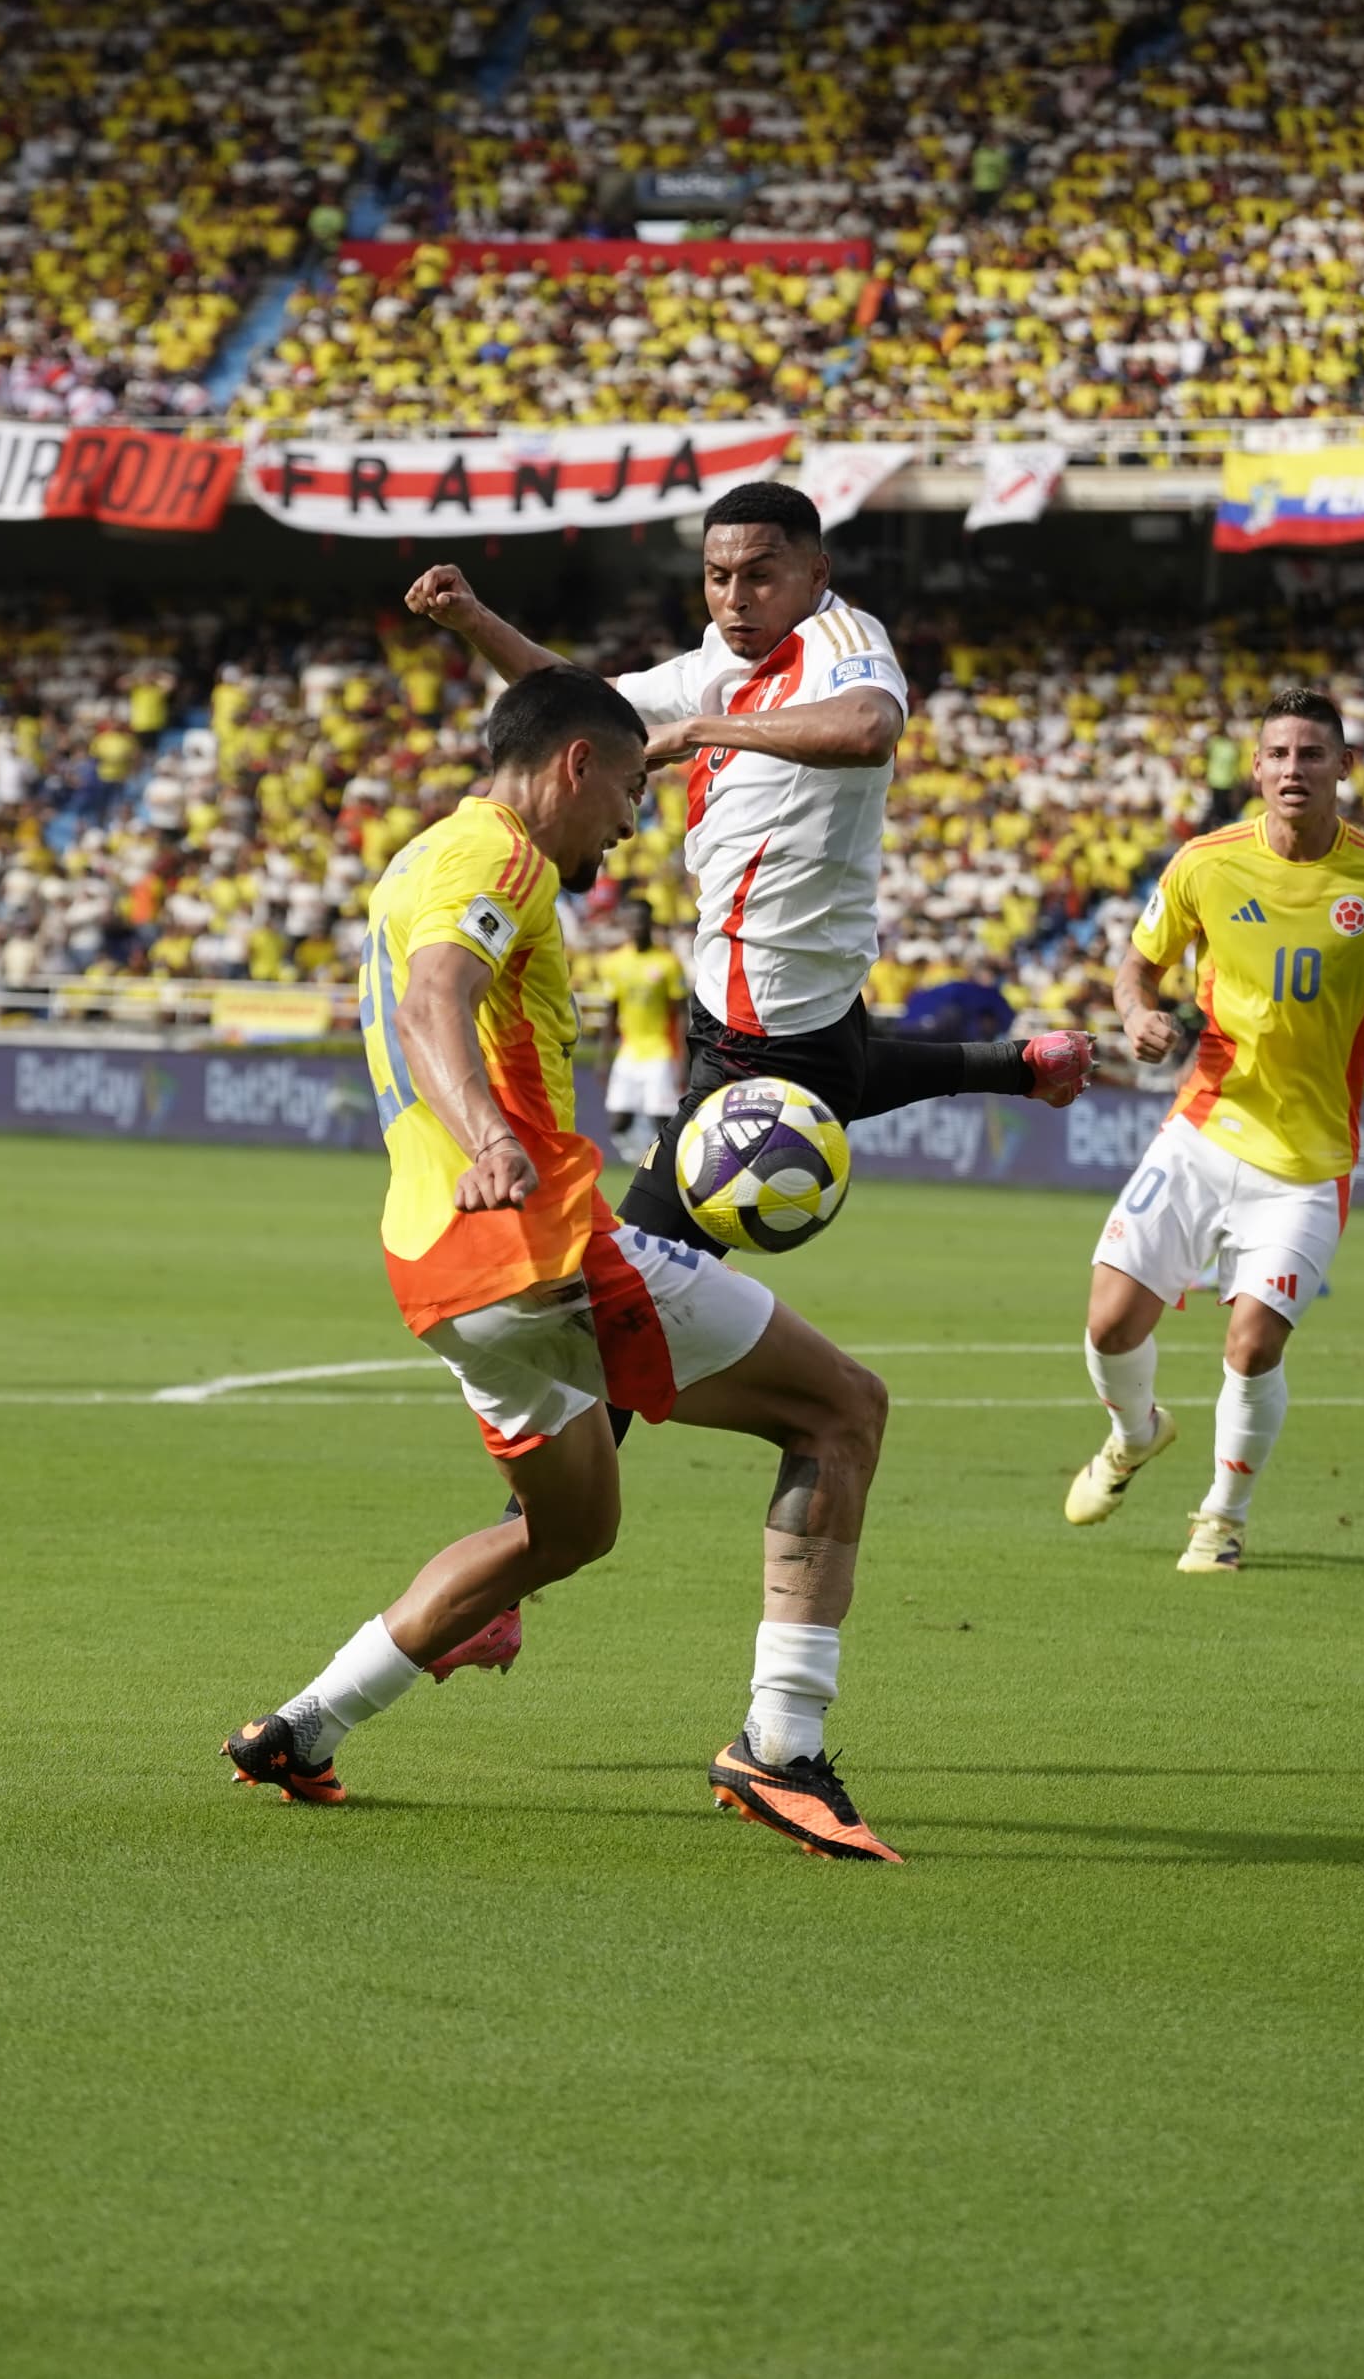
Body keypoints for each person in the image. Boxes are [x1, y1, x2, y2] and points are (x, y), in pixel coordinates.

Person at [226, 667, 908, 1861]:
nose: (632, 823)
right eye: (631, 791)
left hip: (439, 1275)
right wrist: (491, 1139)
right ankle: (780, 1744)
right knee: (841, 1410)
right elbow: (432, 1000)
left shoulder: (418, 858)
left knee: (567, 1532)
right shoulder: (497, 854)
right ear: (574, 764)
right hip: (535, 1248)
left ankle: (303, 1726)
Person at [405, 481, 1085, 1262]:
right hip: (775, 1007)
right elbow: (581, 704)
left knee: (627, 1278)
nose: (735, 598)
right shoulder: (715, 659)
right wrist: (474, 621)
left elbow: (869, 726)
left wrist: (701, 728)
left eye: (760, 575)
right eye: (718, 576)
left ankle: (1010, 1071)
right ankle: (1018, 1066)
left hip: (760, 1029)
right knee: (834, 1071)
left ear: (816, 573)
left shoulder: (841, 640)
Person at [1065, 687, 1364, 1566]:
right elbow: (1138, 966)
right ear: (1255, 767)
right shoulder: (1205, 863)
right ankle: (1133, 1435)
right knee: (1110, 1323)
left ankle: (1222, 1518)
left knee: (1253, 1342)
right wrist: (1135, 1013)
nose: (1293, 769)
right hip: (1202, 1130)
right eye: (1277, 753)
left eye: (1312, 754)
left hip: (1309, 1162)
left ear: (1344, 766)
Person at [599, 903, 689, 1161]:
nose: (636, 926)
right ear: (624, 925)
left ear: (650, 923)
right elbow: (611, 1014)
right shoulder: (614, 963)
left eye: (640, 921)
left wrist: (683, 1059)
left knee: (662, 1121)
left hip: (660, 1051)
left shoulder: (668, 962)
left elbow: (681, 1014)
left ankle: (665, 1168)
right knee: (619, 1122)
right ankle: (642, 1162)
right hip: (629, 1051)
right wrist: (604, 1057)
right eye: (631, 921)